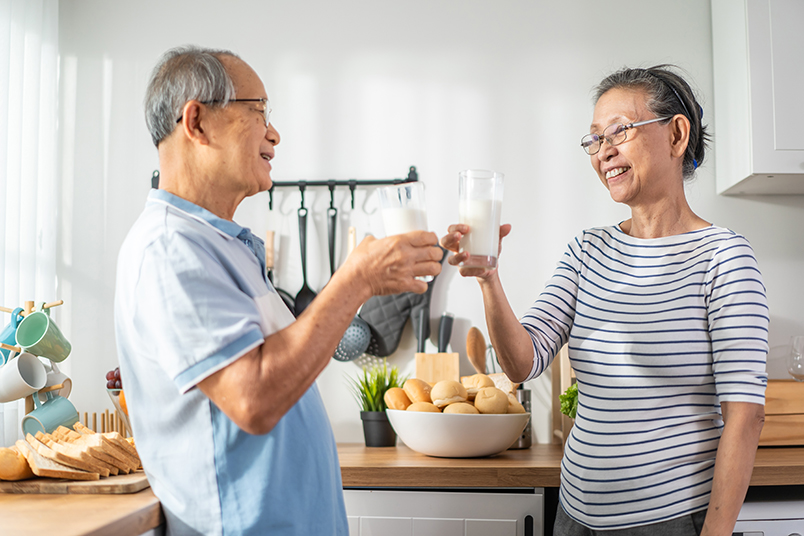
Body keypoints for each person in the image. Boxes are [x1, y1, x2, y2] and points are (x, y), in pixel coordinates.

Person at [114, 45, 442, 535]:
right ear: (197, 122)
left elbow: (278, 370)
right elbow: (254, 399)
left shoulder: (223, 245)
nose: (274, 133)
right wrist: (355, 280)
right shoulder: (170, 248)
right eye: (259, 111)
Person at [441, 65, 768, 535]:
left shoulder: (724, 258)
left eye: (620, 131)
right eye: (594, 139)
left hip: (672, 520)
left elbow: (746, 416)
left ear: (677, 135)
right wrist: (489, 278)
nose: (603, 151)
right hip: (575, 517)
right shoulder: (587, 250)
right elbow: (521, 363)